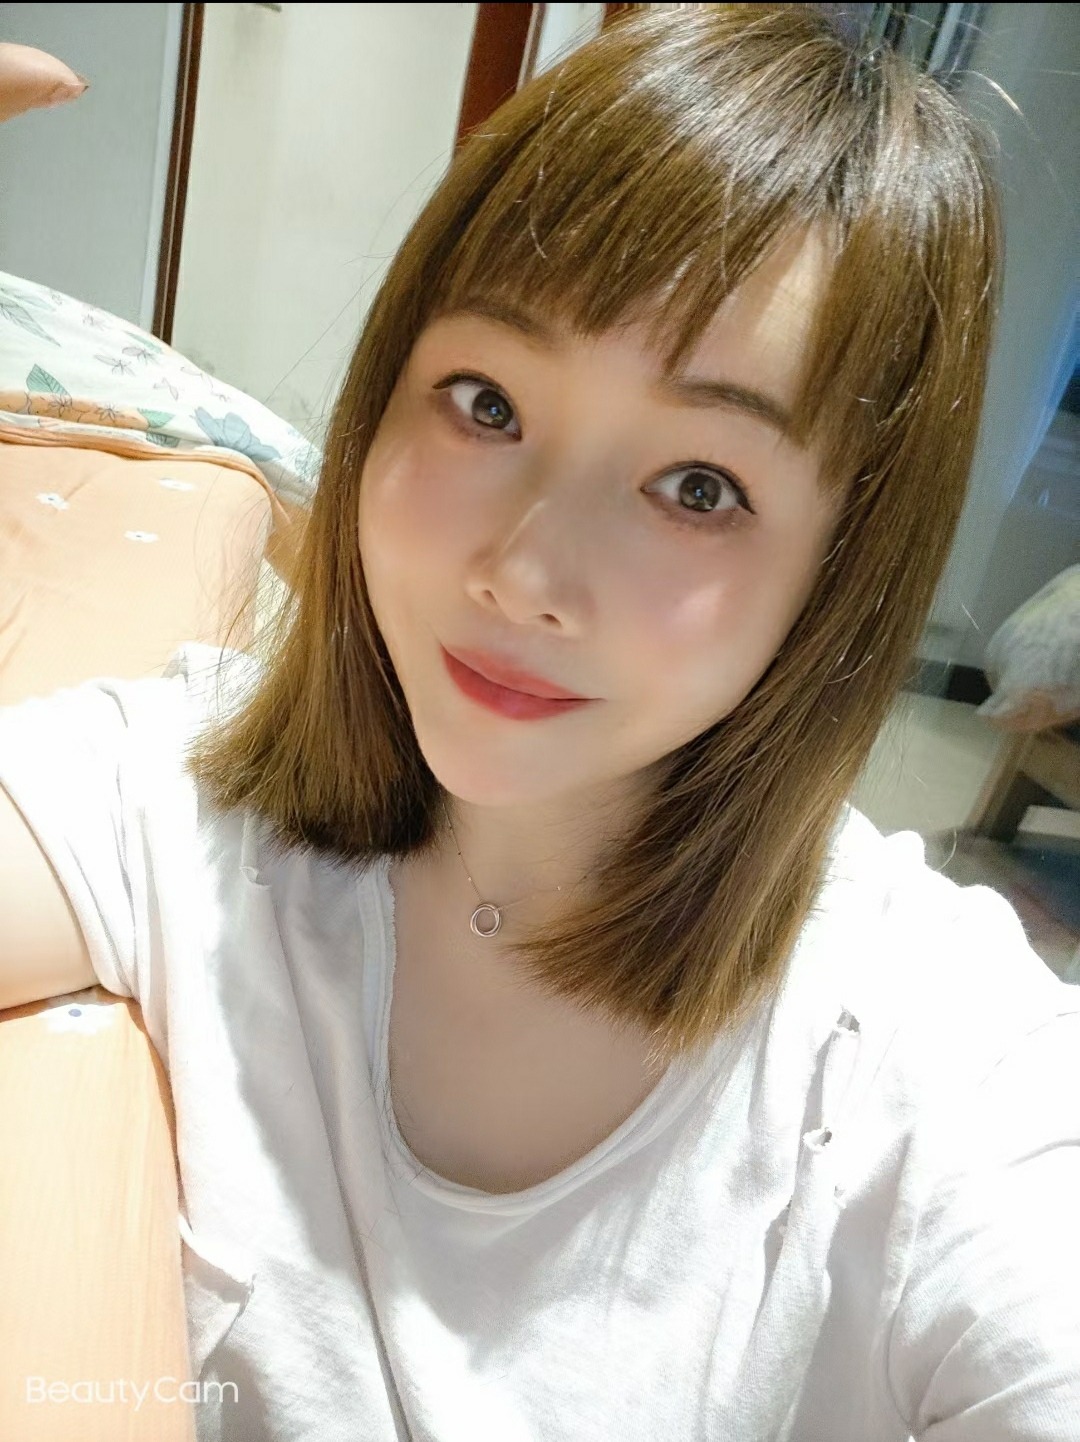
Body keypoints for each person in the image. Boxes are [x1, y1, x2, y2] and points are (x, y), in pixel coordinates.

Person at [1, 5, 1078, 1439]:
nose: (523, 574)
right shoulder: (187, 801)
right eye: (486, 403)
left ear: (843, 569)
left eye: (699, 487)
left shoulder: (931, 1057)